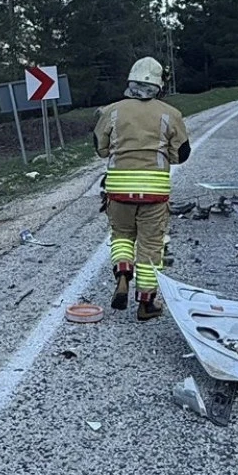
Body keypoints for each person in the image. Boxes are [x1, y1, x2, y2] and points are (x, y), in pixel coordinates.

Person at [93, 57, 191, 321]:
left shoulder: (111, 111)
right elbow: (181, 154)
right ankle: (146, 304)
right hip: (154, 193)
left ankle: (123, 274)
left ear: (131, 81)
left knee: (122, 236)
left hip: (119, 191)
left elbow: (101, 149)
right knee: (150, 247)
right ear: (159, 85)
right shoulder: (171, 114)